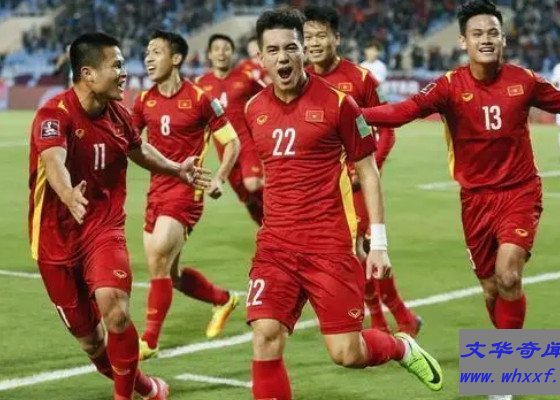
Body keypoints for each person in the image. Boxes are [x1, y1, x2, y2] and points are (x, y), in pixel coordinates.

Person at [363, 5, 560, 394]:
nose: (486, 39)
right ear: (463, 41)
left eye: (493, 32)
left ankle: (503, 376)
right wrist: (356, 115)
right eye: (477, 34)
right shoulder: (448, 86)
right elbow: (403, 110)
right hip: (475, 201)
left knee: (509, 275)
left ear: (503, 38)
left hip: (520, 192)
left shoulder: (524, 80)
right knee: (491, 289)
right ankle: (509, 355)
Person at [245, 9, 443, 400]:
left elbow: (368, 171)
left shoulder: (339, 104)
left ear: (303, 50)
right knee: (265, 336)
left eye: (291, 47)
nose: (283, 57)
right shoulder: (254, 109)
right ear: (261, 57)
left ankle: (400, 346)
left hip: (328, 246)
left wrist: (379, 243)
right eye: (273, 50)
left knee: (347, 353)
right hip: (275, 247)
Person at [28, 32, 210, 400]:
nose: (125, 73)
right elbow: (53, 159)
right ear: (88, 73)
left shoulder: (119, 116)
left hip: (103, 229)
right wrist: (67, 193)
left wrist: (177, 169)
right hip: (54, 240)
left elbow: (139, 149)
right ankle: (145, 386)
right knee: (92, 342)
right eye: (117, 65)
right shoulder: (53, 115)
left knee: (117, 312)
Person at [303, 5, 420, 336]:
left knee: (364, 251)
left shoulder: (361, 79)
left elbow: (388, 130)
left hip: (355, 187)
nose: (314, 43)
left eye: (321, 36)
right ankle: (398, 318)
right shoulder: (301, 80)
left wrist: (367, 170)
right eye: (308, 37)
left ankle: (388, 320)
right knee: (350, 256)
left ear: (337, 38)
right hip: (322, 188)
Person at [132, 31, 241, 358]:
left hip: (186, 191)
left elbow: (232, 142)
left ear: (176, 58)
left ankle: (149, 341)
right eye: (147, 52)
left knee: (158, 260)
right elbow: (128, 142)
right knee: (170, 274)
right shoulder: (143, 101)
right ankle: (224, 299)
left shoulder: (200, 99)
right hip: (156, 191)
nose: (149, 58)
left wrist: (220, 178)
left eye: (156, 52)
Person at [196, 33, 265, 226]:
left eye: (226, 49)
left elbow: (268, 96)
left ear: (233, 53)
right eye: (216, 49)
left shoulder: (245, 78)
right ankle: (269, 230)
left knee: (253, 183)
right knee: (248, 199)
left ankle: (286, 201)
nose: (221, 53)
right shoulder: (201, 84)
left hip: (247, 141)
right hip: (224, 148)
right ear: (209, 54)